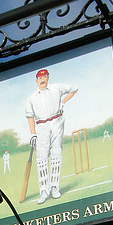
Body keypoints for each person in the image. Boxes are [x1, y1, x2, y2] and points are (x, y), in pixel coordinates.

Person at [25, 69, 77, 204]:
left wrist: (63, 101)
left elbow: (74, 88)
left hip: (57, 121)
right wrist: (33, 134)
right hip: (41, 125)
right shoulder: (31, 98)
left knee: (56, 153)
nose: (42, 80)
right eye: (39, 78)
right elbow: (30, 117)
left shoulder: (56, 88)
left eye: (44, 77)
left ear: (48, 77)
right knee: (41, 158)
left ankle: (54, 187)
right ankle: (44, 191)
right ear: (36, 80)